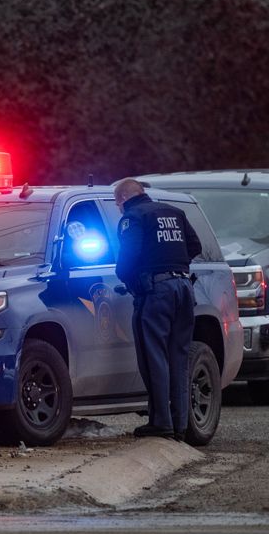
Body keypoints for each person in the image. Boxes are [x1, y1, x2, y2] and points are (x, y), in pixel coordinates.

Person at [113, 178, 202, 441]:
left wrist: (134, 282)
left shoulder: (133, 216)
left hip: (156, 292)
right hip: (184, 289)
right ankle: (180, 425)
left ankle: (161, 422)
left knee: (154, 358)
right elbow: (195, 247)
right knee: (179, 357)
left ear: (123, 201)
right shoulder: (174, 212)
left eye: (118, 205)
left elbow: (127, 258)